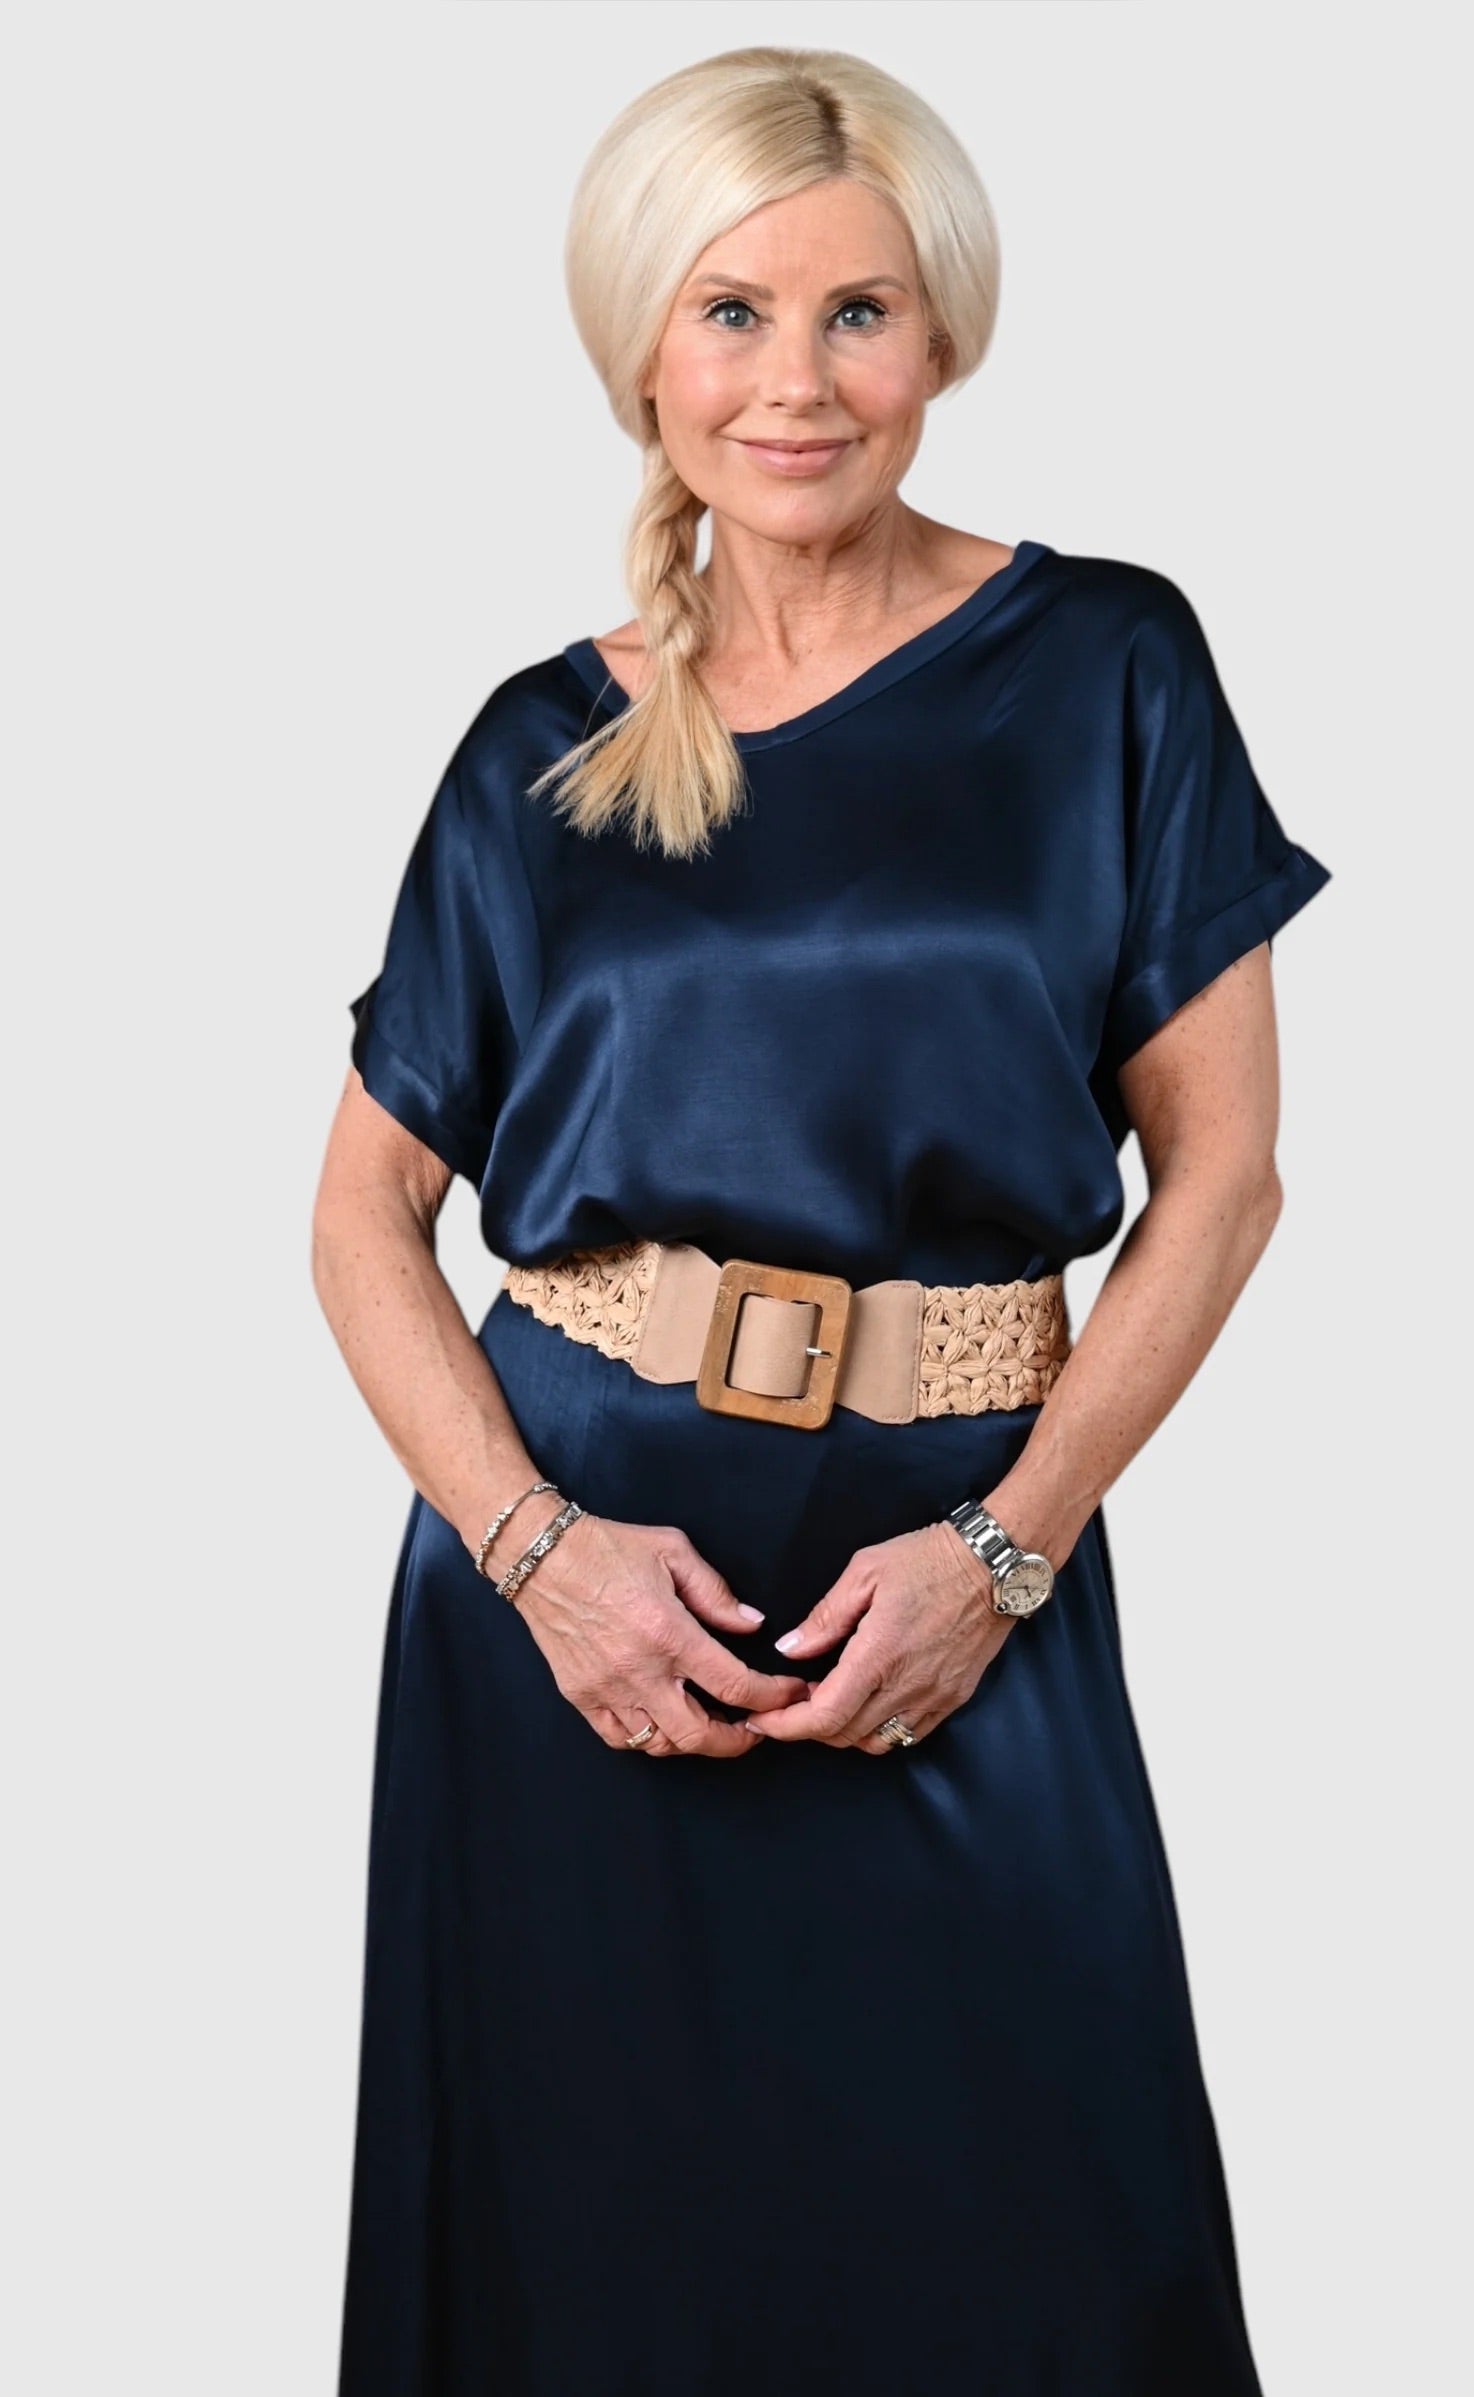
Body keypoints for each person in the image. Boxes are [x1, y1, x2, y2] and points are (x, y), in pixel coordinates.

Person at [312, 43, 1332, 2397]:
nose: (795, 382)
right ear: (639, 350)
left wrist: (1001, 1554)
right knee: (593, 2280)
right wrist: (538, 1558)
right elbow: (363, 1217)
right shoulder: (535, 749)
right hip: (579, 1618)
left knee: (1044, 2255)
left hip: (960, 1562)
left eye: (856, 311)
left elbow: (1223, 1177)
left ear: (942, 332)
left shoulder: (1105, 666)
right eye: (731, 312)